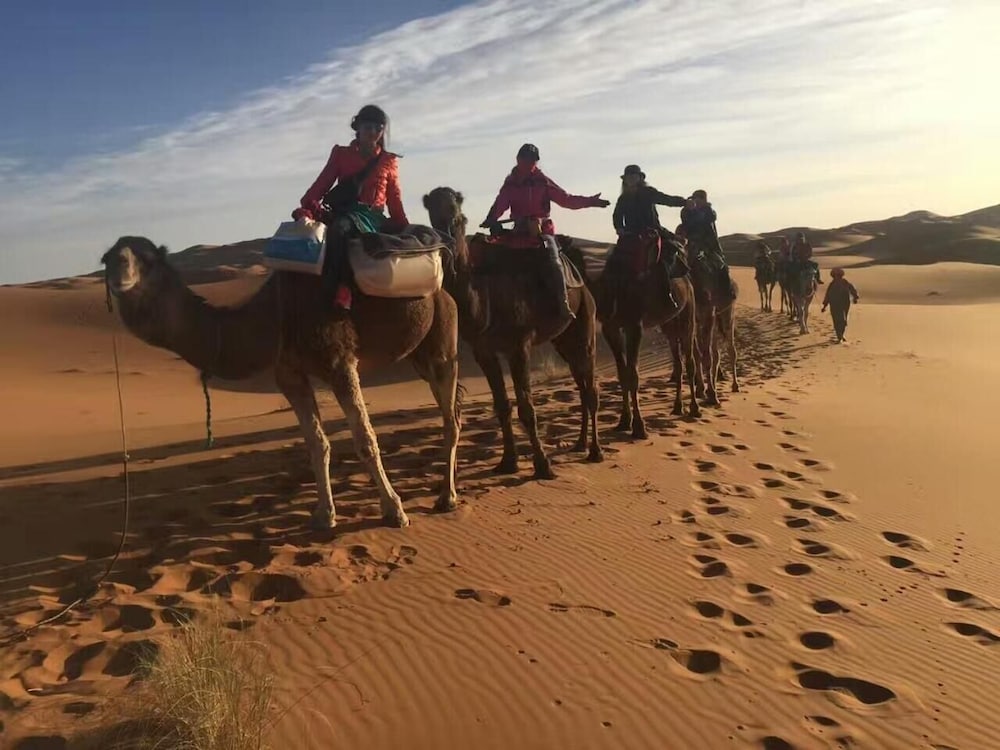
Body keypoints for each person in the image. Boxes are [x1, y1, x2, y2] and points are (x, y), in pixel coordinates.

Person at [291, 104, 409, 310]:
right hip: (342, 211)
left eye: (377, 127)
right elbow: (320, 186)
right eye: (367, 126)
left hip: (371, 215)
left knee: (340, 229)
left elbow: (394, 198)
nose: (372, 131)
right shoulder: (341, 154)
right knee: (321, 232)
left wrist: (403, 224)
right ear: (358, 128)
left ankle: (344, 288)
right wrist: (308, 208)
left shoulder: (388, 161)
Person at [480, 143, 610, 324]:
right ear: (518, 159)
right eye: (525, 158)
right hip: (517, 233)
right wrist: (491, 219)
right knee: (490, 258)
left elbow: (566, 200)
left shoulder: (543, 182)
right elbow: (500, 204)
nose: (528, 162)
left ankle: (563, 303)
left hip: (541, 233)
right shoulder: (511, 184)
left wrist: (590, 202)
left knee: (553, 261)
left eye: (532, 159)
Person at [609, 164, 688, 304]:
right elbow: (617, 215)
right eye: (629, 177)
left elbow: (666, 199)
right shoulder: (623, 198)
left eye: (634, 176)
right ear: (625, 180)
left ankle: (667, 293)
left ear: (640, 178)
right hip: (630, 235)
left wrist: (684, 202)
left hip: (651, 233)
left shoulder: (648, 192)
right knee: (614, 261)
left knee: (662, 260)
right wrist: (619, 227)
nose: (631, 179)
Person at [679, 189, 736, 299]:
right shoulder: (686, 211)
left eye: (700, 199)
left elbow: (711, 217)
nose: (697, 201)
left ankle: (727, 293)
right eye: (695, 198)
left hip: (709, 246)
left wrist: (706, 207)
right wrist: (691, 210)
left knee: (722, 266)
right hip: (691, 244)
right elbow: (687, 223)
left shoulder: (709, 212)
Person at [821, 268, 860, 343]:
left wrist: (855, 297)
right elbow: (828, 295)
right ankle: (839, 336)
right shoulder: (832, 285)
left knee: (843, 320)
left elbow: (852, 290)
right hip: (834, 304)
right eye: (835, 275)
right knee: (836, 320)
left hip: (844, 304)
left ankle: (841, 334)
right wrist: (824, 306)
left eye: (838, 275)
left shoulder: (845, 282)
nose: (837, 277)